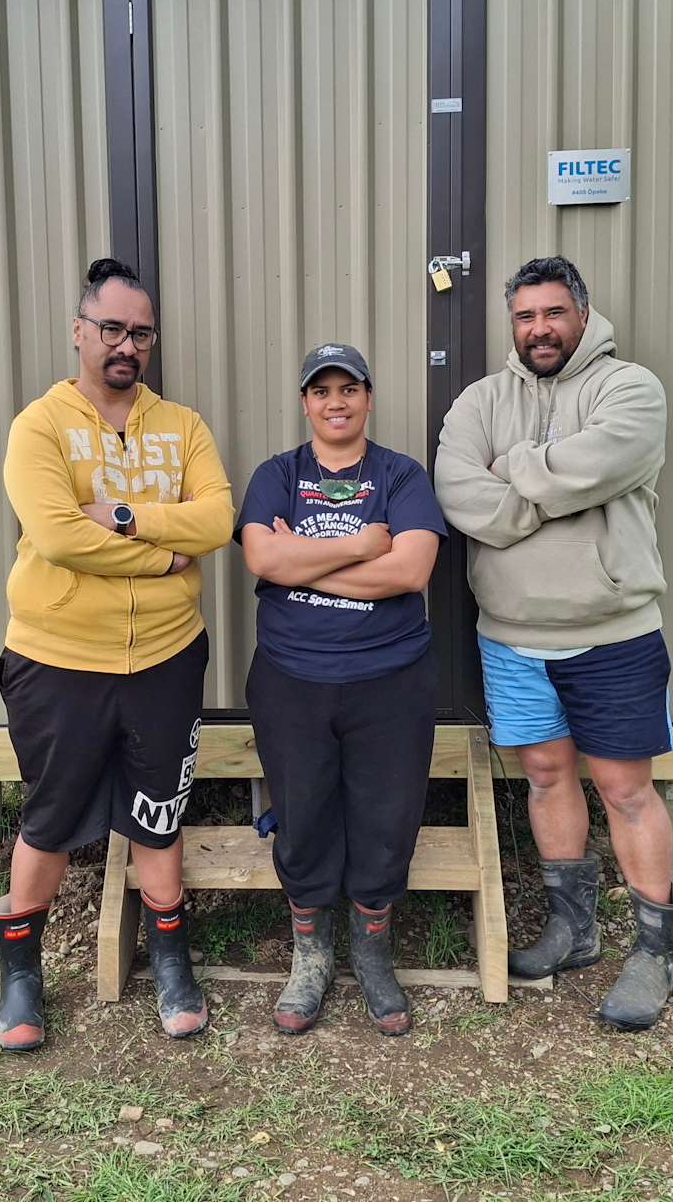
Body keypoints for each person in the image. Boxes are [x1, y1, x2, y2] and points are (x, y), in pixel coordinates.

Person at [0, 257, 235, 1051]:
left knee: (160, 814)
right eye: (112, 329)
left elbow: (218, 522)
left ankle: (170, 960)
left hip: (166, 655)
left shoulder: (182, 426)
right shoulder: (40, 426)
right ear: (79, 332)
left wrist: (123, 515)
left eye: (141, 332)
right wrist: (164, 554)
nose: (126, 345)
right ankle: (20, 977)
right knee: (52, 816)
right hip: (58, 658)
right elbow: (57, 535)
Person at [433, 256, 673, 1031]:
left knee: (624, 788)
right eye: (524, 317)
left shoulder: (630, 389)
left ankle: (653, 949)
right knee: (546, 777)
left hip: (611, 632)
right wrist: (546, 495)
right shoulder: (480, 400)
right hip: (512, 637)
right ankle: (573, 930)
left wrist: (517, 473)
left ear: (581, 313)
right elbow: (459, 492)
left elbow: (603, 461)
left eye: (552, 313)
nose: (539, 329)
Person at [235, 344, 445, 1037]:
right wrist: (359, 548)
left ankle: (374, 953)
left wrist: (300, 566)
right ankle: (311, 955)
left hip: (391, 681)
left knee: (386, 820)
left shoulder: (400, 475)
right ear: (305, 403)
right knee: (303, 818)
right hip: (292, 679)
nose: (335, 401)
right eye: (320, 390)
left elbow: (410, 573)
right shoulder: (277, 474)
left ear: (367, 397)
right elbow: (261, 558)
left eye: (347, 388)